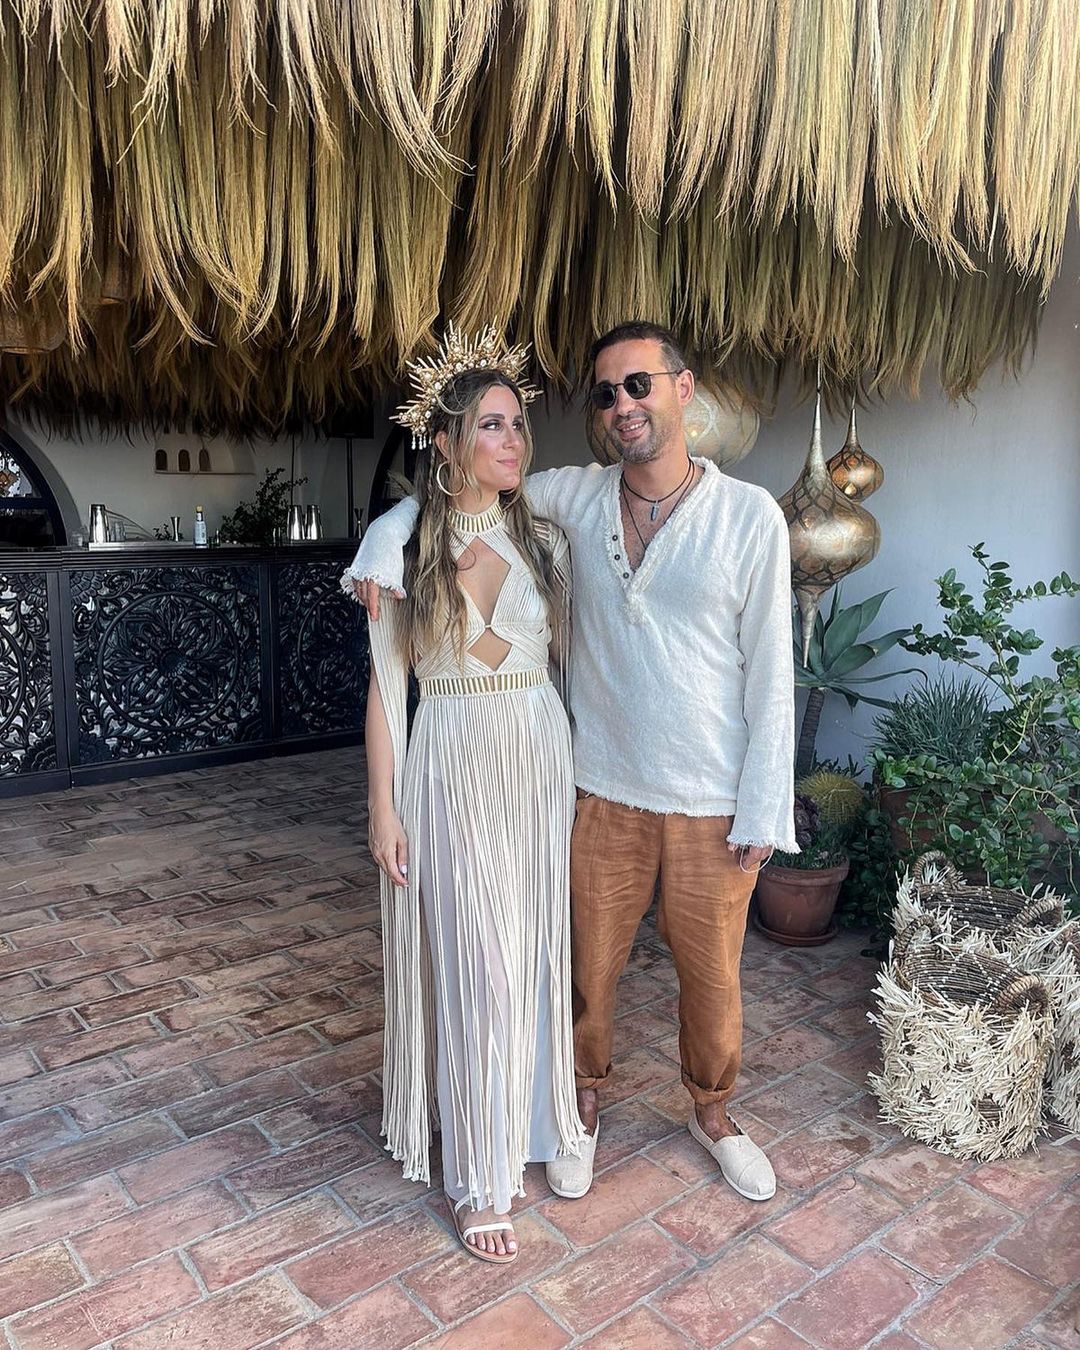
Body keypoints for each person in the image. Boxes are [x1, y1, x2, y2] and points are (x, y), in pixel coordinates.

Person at [347, 321, 796, 1206]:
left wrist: (763, 805)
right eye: (606, 392)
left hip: (704, 796)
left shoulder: (749, 517)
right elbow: (454, 493)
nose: (623, 404)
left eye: (639, 385)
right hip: (597, 788)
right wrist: (383, 532)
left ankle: (714, 1115)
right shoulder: (576, 501)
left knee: (712, 980)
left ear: (682, 389)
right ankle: (576, 1107)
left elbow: (773, 672)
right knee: (582, 971)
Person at [344, 325, 583, 1264]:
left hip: (535, 754)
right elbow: (385, 687)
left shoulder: (545, 538)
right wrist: (382, 805)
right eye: (490, 425)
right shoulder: (399, 549)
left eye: (517, 424)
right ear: (444, 442)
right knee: (480, 962)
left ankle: (527, 1126)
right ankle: (481, 1176)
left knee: (530, 954)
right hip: (449, 755)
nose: (513, 441)